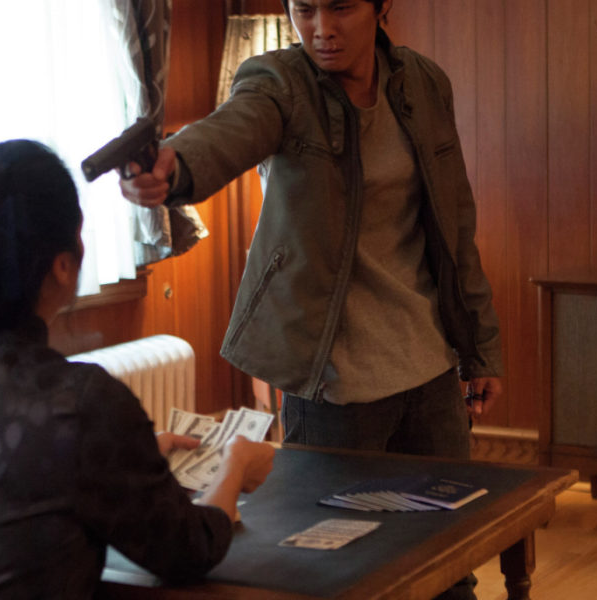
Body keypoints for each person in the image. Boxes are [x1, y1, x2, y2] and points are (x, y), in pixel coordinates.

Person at [120, 2, 501, 597]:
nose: (321, 29)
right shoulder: (279, 82)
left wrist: (479, 345)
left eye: (340, 7)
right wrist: (178, 165)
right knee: (335, 569)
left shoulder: (425, 84)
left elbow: (455, 225)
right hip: (333, 380)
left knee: (448, 567)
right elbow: (232, 128)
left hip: (429, 368)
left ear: (381, 7)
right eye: (304, 8)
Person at [0, 140, 275, 598]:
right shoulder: (79, 404)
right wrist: (234, 468)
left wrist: (126, 460)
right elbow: (188, 550)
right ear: (62, 264)